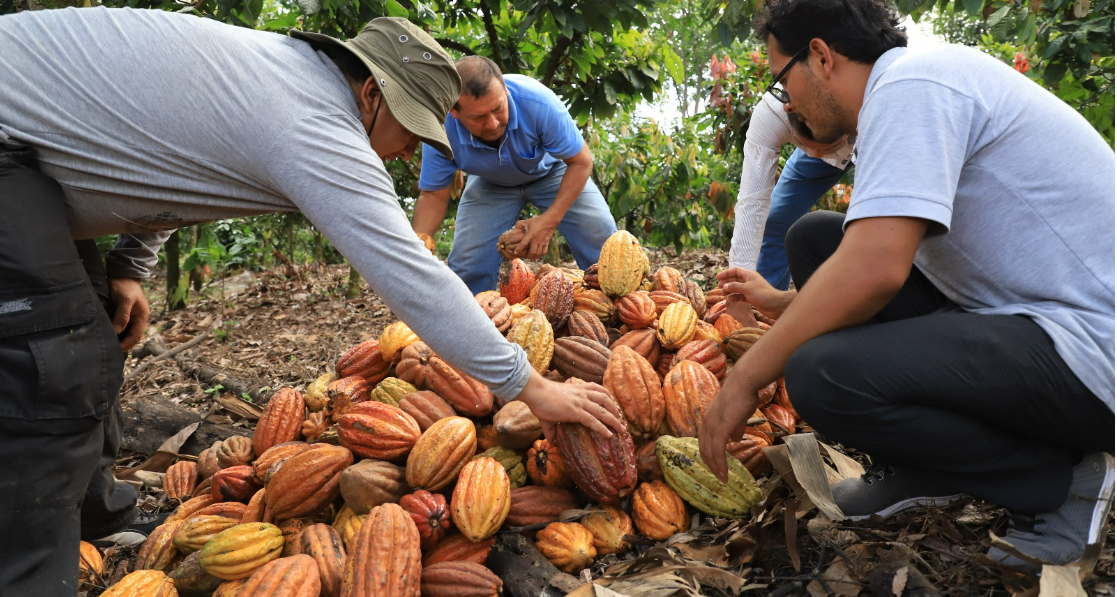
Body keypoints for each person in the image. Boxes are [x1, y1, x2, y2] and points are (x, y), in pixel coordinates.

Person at [0, 8, 623, 594]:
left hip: (34, 154)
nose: (411, 152)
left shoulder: (280, 76)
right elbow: (412, 279)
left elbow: (169, 161)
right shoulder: (314, 120)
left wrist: (129, 266)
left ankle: (96, 517)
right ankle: (30, 574)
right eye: (411, 130)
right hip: (11, 147)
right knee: (56, 366)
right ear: (372, 93)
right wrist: (531, 387)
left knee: (90, 335)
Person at [698, 0, 1114, 571]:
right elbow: (883, 256)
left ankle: (1055, 481)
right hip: (1036, 320)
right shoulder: (904, 89)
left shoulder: (912, 87)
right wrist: (782, 302)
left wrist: (745, 378)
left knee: (820, 374)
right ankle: (929, 466)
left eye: (781, 79)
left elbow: (874, 271)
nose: (786, 101)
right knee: (816, 239)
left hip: (1093, 355)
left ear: (820, 57)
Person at [411, 56, 617, 294]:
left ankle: (616, 303)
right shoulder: (440, 129)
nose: (492, 124)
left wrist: (548, 221)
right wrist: (416, 251)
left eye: (498, 108)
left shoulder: (538, 102)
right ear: (453, 112)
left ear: (505, 92)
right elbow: (434, 196)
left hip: (553, 172)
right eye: (478, 117)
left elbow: (581, 162)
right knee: (468, 262)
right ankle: (474, 313)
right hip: (489, 182)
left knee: (600, 234)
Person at [731, 92, 854, 290]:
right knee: (778, 218)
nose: (818, 155)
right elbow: (752, 202)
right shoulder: (772, 114)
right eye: (808, 146)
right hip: (837, 139)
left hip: (867, 140)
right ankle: (766, 296)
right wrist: (738, 287)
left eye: (827, 148)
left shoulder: (873, 110)